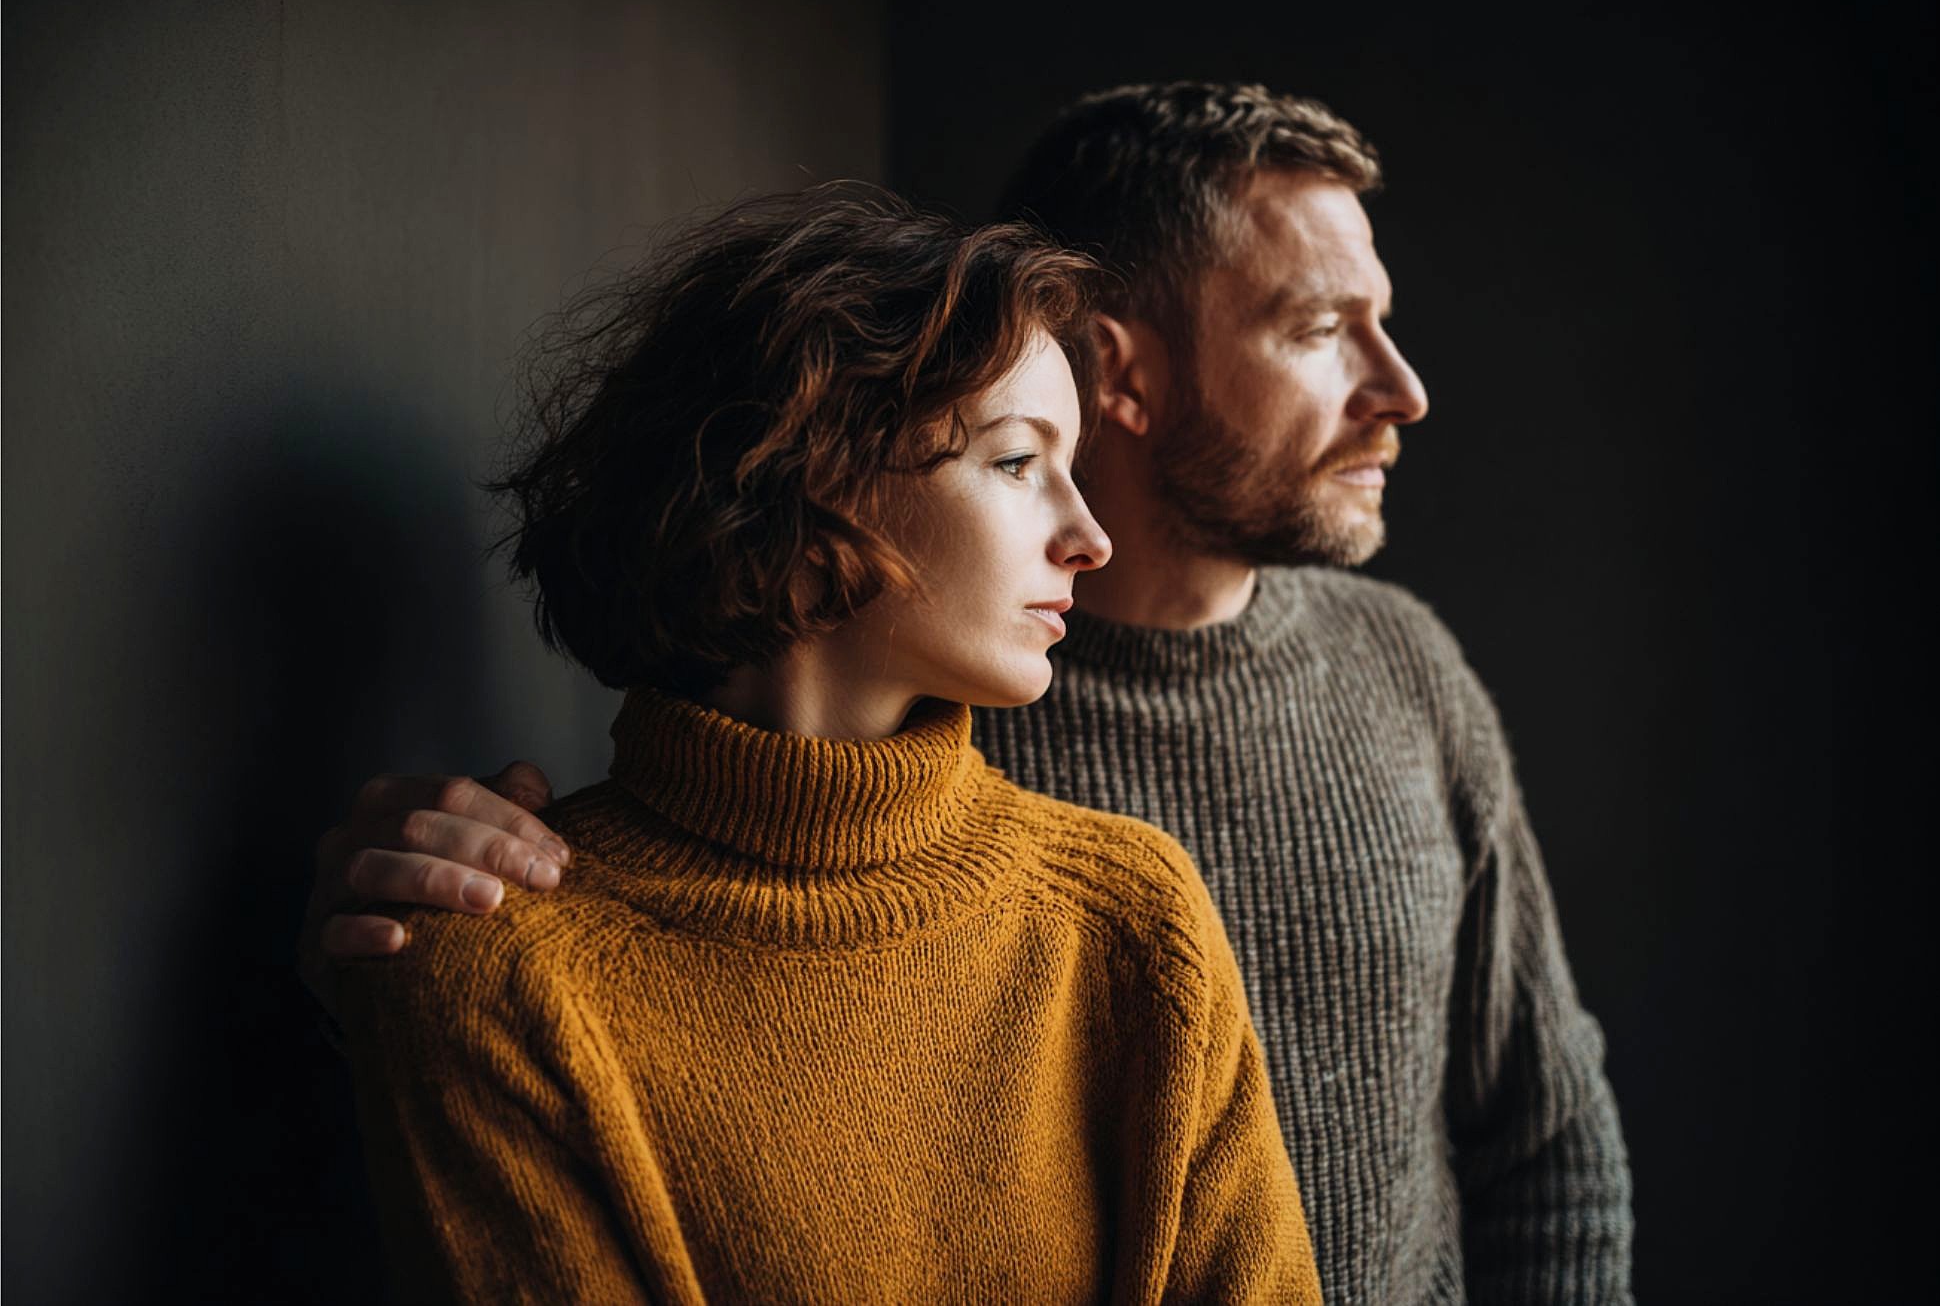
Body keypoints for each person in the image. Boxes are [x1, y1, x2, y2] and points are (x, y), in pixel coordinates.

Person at [307, 83, 1636, 1302]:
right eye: (1318, 328)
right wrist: (395, 914)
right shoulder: (529, 951)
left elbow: (1548, 1137)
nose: (1400, 391)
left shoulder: (1265, 787)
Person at [331, 185, 1318, 1302]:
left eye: (1072, 466)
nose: (1086, 536)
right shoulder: (495, 976)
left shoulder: (1134, 919)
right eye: (1013, 461)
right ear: (804, 484)